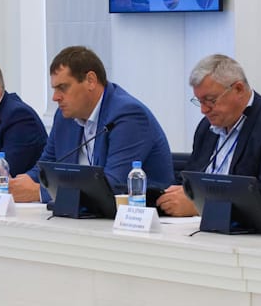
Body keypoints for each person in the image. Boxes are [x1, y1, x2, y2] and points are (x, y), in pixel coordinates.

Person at [9, 45, 173, 202]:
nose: (55, 97)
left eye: (63, 87)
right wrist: (18, 183)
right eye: (54, 89)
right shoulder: (65, 117)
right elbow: (46, 166)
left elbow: (113, 185)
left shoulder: (128, 115)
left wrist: (39, 192)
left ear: (91, 81)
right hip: (86, 212)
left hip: (141, 215)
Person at [156, 54, 261, 216]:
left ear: (238, 89)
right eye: (200, 101)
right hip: (199, 226)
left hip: (249, 230)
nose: (204, 110)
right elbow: (190, 181)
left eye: (210, 100)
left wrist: (201, 206)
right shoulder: (207, 127)